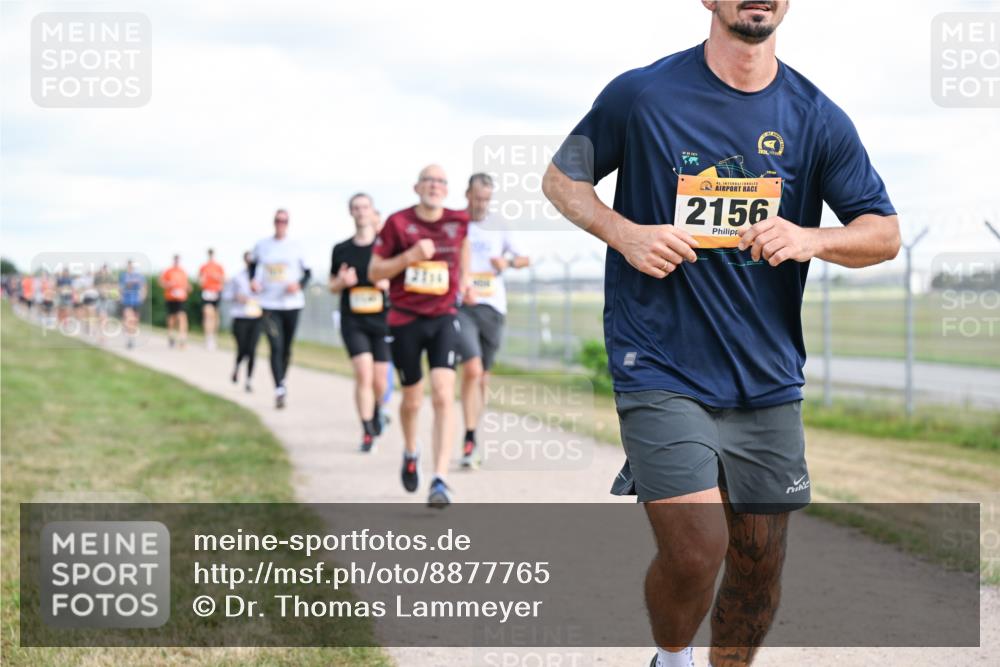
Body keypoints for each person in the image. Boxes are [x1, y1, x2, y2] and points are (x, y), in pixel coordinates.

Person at [542, 3, 901, 666]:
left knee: (758, 561)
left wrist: (811, 237)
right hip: (658, 360)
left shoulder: (817, 116)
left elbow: (883, 233)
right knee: (697, 546)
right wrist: (624, 233)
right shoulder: (642, 95)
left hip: (766, 376)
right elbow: (562, 178)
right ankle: (671, 656)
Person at [369, 165, 470, 508]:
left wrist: (465, 280)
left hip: (443, 317)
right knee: (412, 400)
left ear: (446, 189)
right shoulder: (397, 223)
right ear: (417, 187)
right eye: (428, 180)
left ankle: (439, 479)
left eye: (441, 181)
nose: (434, 186)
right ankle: (411, 451)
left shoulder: (458, 221)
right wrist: (410, 256)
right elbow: (375, 271)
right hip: (405, 319)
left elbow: (465, 246)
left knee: (443, 394)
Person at [455, 173, 530, 467]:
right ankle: (469, 437)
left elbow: (526, 258)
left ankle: (473, 428)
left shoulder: (499, 225)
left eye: (487, 199)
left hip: (492, 308)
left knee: (483, 376)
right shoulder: (456, 224)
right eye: (478, 198)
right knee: (471, 370)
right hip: (462, 306)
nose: (482, 204)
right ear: (467, 195)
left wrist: (508, 262)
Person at [330, 193, 392, 452]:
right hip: (353, 320)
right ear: (350, 212)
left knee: (380, 381)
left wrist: (386, 284)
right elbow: (331, 285)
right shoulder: (341, 249)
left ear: (372, 211)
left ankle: (378, 410)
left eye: (365, 207)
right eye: (356, 207)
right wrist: (342, 283)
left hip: (382, 320)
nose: (361, 211)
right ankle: (367, 431)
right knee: (363, 373)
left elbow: (399, 281)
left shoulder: (386, 248)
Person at [251, 209, 312, 409]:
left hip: (292, 303)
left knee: (286, 348)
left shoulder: (296, 246)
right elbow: (253, 265)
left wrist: (299, 285)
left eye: (284, 221)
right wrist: (254, 281)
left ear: (288, 223)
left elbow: (308, 272)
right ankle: (279, 388)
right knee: (275, 345)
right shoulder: (263, 245)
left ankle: (282, 379)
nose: (281, 223)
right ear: (273, 222)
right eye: (278, 220)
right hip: (270, 304)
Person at [223, 251, 263, 392]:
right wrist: (236, 296)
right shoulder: (237, 277)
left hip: (256, 317)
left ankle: (249, 380)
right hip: (240, 317)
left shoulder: (262, 278)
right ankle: (238, 366)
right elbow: (226, 294)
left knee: (252, 349)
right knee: (242, 348)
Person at [159, 255, 190, 349]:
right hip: (171, 298)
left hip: (181, 298)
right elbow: (161, 282)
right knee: (172, 318)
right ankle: (171, 336)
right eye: (175, 259)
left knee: (182, 316)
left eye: (178, 259)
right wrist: (168, 284)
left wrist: (187, 288)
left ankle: (182, 338)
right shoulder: (168, 271)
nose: (177, 261)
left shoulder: (183, 271)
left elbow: (186, 284)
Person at [198, 248, 226, 351]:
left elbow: (224, 279)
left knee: (215, 316)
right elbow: (200, 281)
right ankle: (208, 337)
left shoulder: (219, 267)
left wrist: (217, 277)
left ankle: (214, 336)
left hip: (216, 292)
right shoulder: (203, 267)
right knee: (207, 314)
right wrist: (203, 280)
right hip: (207, 292)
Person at [119, 260, 146, 349]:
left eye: (131, 266)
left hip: (136, 301)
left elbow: (143, 287)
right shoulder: (123, 276)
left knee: (135, 321)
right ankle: (129, 339)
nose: (130, 268)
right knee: (129, 319)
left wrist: (142, 296)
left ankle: (131, 337)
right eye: (129, 266)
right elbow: (120, 288)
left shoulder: (139, 276)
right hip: (126, 301)